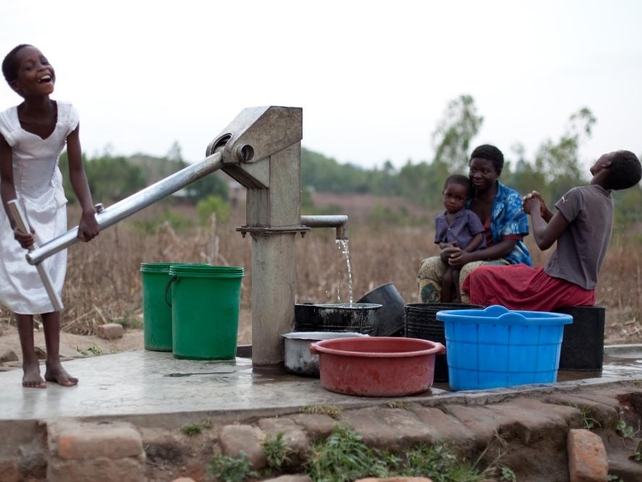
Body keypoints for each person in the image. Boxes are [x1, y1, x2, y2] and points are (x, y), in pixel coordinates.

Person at [0, 44, 100, 388]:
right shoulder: (7, 124)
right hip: (15, 204)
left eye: (44, 61)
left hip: (51, 202)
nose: (42, 67)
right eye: (30, 66)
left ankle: (54, 363)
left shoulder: (68, 116)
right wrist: (16, 224)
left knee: (51, 280)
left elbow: (76, 170)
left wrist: (87, 210)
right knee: (24, 277)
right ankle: (30, 363)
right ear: (16, 85)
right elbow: (5, 180)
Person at [462, 150, 642, 311]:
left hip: (557, 286)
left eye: (608, 153)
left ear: (606, 164)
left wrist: (533, 210)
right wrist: (545, 212)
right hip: (584, 291)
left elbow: (542, 241)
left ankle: (483, 335)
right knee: (514, 273)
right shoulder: (606, 201)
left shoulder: (578, 194)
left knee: (479, 276)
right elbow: (573, 232)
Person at [417, 144, 532, 303]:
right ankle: (432, 322)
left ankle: (469, 323)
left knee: (470, 271)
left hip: (507, 262)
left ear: (497, 172)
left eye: (485, 171)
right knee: (429, 266)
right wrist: (447, 251)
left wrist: (469, 257)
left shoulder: (511, 200)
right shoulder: (464, 197)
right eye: (473, 170)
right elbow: (450, 233)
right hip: (466, 257)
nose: (477, 175)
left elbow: (508, 246)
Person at [434, 174, 485, 302]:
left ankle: (460, 306)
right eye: (449, 195)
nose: (452, 201)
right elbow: (440, 241)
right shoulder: (440, 219)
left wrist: (467, 251)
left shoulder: (469, 216)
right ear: (443, 193)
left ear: (466, 200)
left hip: (470, 256)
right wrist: (445, 246)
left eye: (459, 198)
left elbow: (479, 236)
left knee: (454, 276)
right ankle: (444, 309)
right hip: (452, 258)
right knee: (448, 278)